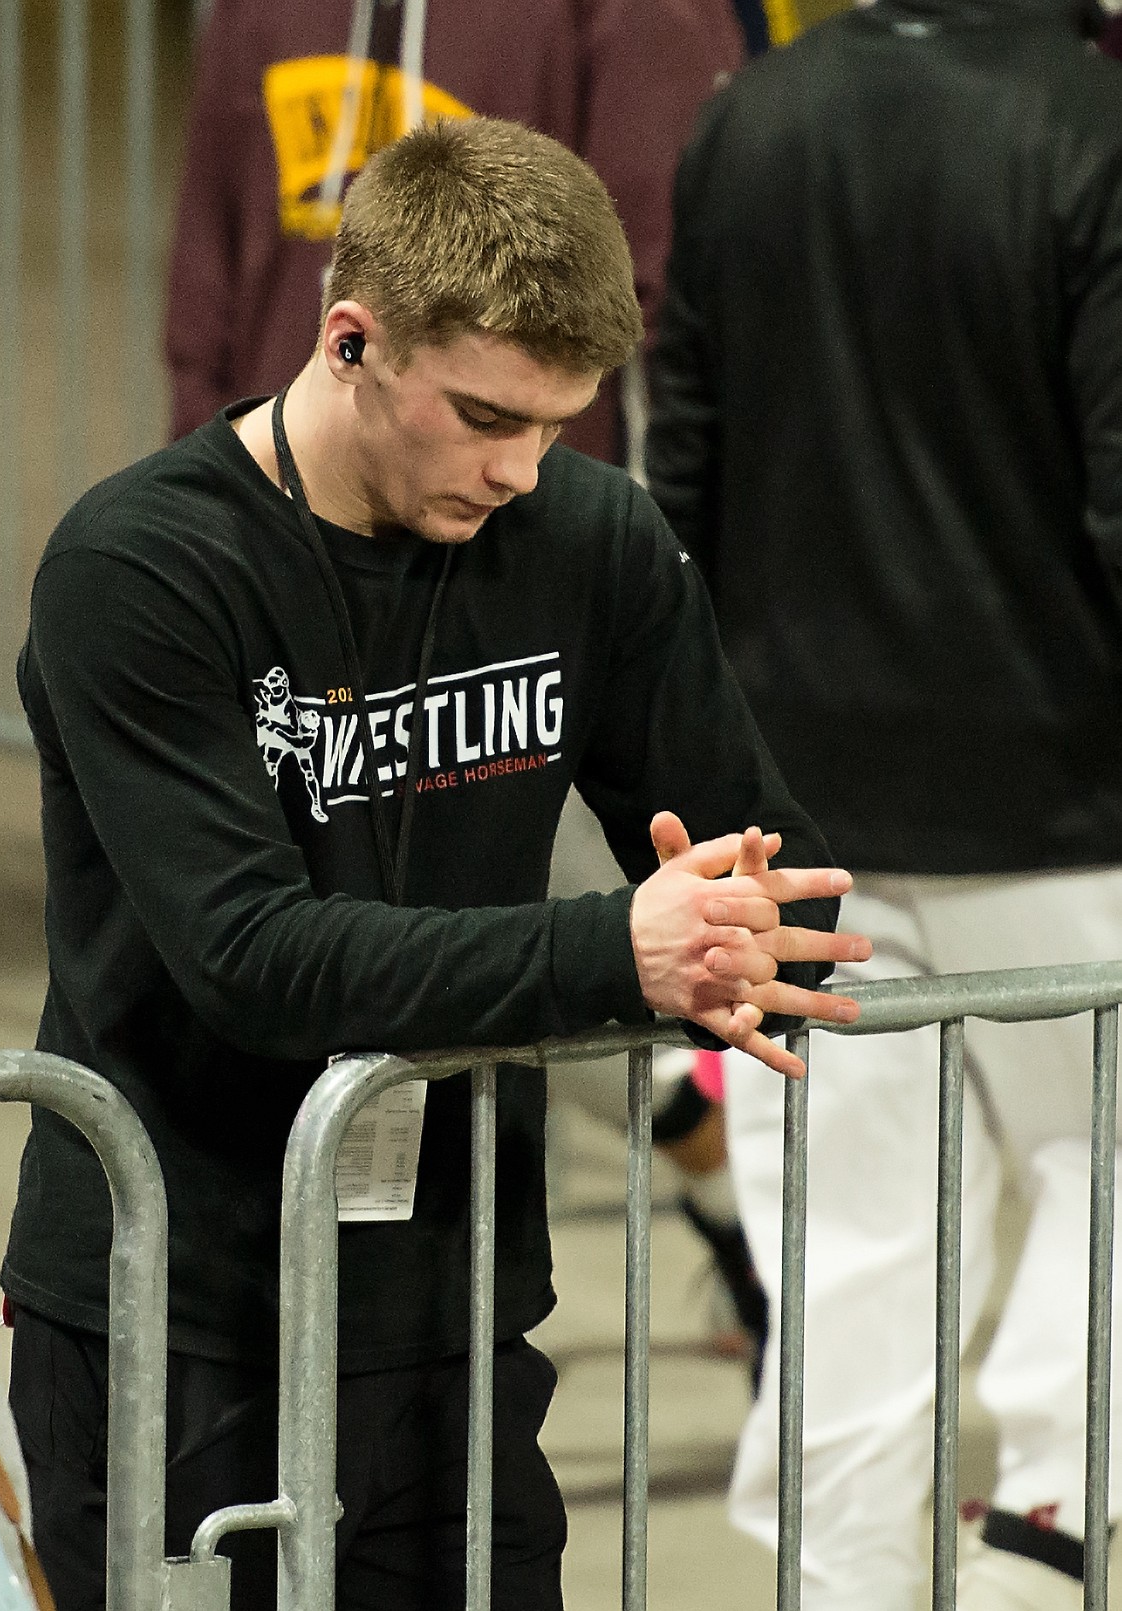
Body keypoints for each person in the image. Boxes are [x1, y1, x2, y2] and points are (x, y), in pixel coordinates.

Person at [4, 118, 869, 1611]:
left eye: (557, 425)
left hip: (453, 1310)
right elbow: (256, 956)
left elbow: (767, 871)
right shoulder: (140, 570)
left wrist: (743, 936)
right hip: (175, 1306)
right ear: (351, 340)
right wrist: (620, 948)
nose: (521, 470)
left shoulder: (588, 540)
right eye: (484, 416)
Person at [646, 0, 1122, 1606]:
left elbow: (682, 476)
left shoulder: (748, 119)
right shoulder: (1087, 121)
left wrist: (707, 765)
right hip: (1061, 799)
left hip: (800, 802)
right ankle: (1048, 1520)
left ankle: (845, 1578)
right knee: (1101, 1161)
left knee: (845, 1238)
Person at [163, 0, 745, 466]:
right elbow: (207, 266)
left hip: (499, 510)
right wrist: (213, 469)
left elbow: (672, 283)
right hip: (288, 487)